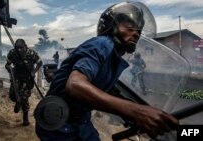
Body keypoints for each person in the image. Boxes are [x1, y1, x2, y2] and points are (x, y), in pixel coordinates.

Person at [35, 2, 178, 141]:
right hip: (58, 122)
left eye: (139, 30)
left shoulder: (113, 57)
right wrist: (136, 112)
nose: (136, 33)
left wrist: (131, 114)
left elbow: (105, 89)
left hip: (80, 122)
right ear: (110, 26)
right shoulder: (102, 44)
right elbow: (75, 85)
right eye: (129, 26)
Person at [5, 39, 42, 126]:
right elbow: (8, 64)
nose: (19, 50)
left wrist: (34, 72)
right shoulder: (12, 53)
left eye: (21, 48)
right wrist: (9, 68)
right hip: (16, 77)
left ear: (25, 46)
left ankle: (25, 117)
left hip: (28, 78)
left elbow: (40, 63)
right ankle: (18, 102)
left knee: (24, 97)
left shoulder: (32, 53)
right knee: (12, 95)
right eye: (17, 48)